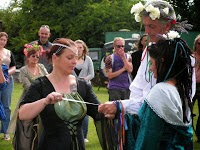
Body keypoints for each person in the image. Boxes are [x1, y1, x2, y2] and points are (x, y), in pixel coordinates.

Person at [98, 0, 194, 117]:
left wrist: (121, 106)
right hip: (144, 120)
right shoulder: (148, 52)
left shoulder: (182, 56)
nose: (147, 31)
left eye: (151, 26)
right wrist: (129, 112)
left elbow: (169, 101)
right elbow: (137, 88)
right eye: (145, 26)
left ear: (168, 25)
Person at [18, 38, 103, 150]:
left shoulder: (82, 86)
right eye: (69, 57)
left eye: (76, 57)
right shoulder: (40, 85)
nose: (74, 61)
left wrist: (118, 108)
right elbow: (23, 113)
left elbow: (99, 112)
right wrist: (44, 101)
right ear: (55, 58)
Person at [134, 36, 194, 149]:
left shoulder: (160, 91)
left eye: (151, 63)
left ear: (161, 62)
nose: (150, 68)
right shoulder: (181, 89)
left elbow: (148, 137)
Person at [7, 42, 48, 134]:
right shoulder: (23, 70)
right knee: (28, 121)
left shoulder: (41, 67)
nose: (36, 58)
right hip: (29, 97)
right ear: (28, 57)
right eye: (33, 56)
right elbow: (27, 86)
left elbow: (48, 79)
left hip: (43, 97)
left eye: (37, 57)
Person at [72, 39, 94, 143]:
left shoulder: (88, 59)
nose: (79, 49)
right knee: (74, 112)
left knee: (84, 112)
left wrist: (83, 80)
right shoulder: (71, 59)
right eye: (76, 47)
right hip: (72, 89)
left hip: (85, 89)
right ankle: (73, 134)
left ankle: (84, 136)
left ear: (84, 48)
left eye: (80, 47)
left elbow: (92, 74)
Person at [105, 37, 133, 101]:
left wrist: (123, 57)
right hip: (114, 87)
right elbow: (109, 75)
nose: (121, 48)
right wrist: (123, 69)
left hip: (127, 87)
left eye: (122, 46)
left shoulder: (128, 57)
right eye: (118, 46)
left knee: (126, 109)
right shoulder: (110, 58)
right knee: (115, 109)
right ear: (114, 46)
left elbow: (130, 70)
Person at [0, 32, 16, 141]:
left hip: (8, 82)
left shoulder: (9, 52)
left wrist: (7, 74)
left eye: (4, 40)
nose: (2, 42)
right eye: (1, 39)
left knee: (6, 107)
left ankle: (6, 131)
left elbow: (14, 66)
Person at [192, 34, 200, 142]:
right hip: (192, 86)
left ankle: (199, 134)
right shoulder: (191, 56)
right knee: (187, 111)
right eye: (199, 43)